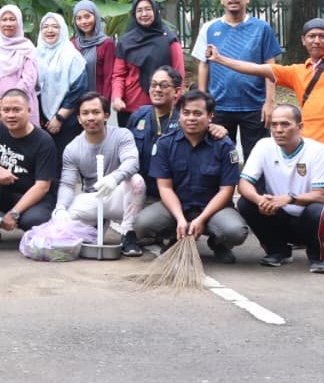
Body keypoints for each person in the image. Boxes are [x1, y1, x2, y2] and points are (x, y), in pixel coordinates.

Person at [206, 9, 324, 262]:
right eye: (311, 36)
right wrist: (220, 60)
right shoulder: (298, 71)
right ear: (303, 41)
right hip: (307, 147)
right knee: (293, 195)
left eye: (322, 36)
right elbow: (257, 68)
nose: (316, 40)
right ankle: (294, 239)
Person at [133, 89, 248, 263]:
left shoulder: (224, 146)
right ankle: (175, 236)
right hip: (177, 208)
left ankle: (218, 243)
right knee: (142, 224)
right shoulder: (165, 143)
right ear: (179, 114)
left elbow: (227, 190)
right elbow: (165, 187)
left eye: (197, 113)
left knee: (235, 231)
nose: (191, 118)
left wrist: (201, 219)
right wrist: (180, 218)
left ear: (210, 116)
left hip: (212, 210)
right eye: (186, 113)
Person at [237, 104, 324, 273]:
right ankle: (278, 251)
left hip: (315, 222)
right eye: (274, 124)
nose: (278, 130)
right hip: (279, 215)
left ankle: (317, 256)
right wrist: (260, 200)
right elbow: (243, 184)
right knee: (246, 203)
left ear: (300, 127)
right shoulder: (264, 146)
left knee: (316, 210)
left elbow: (320, 196)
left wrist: (289, 198)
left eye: (285, 124)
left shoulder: (318, 150)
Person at [192, 0, 282, 157]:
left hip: (255, 106)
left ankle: (253, 187)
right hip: (219, 106)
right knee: (218, 159)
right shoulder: (209, 28)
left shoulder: (262, 28)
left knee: (257, 160)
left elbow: (271, 68)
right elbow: (203, 64)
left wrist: (270, 102)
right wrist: (203, 101)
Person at [54, 92, 146, 256]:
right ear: (79, 119)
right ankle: (97, 224)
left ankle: (128, 233)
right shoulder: (72, 148)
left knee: (137, 181)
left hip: (120, 196)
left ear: (106, 115)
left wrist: (114, 178)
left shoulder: (122, 135)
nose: (91, 118)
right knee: (62, 225)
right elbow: (68, 184)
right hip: (94, 198)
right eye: (85, 113)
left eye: (96, 112)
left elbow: (132, 162)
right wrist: (60, 208)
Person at [0, 88, 59, 234]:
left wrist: (13, 213)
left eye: (17, 110)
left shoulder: (44, 141)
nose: (11, 115)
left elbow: (42, 186)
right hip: (5, 193)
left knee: (32, 221)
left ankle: (16, 219)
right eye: (6, 110)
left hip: (34, 196)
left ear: (29, 110)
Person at [112, 0, 184, 124]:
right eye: (139, 10)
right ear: (134, 14)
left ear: (155, 11)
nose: (144, 14)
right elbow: (118, 75)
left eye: (148, 9)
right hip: (129, 109)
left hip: (162, 108)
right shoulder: (125, 41)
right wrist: (117, 97)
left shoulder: (169, 40)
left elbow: (179, 76)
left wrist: (176, 103)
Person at [126, 66, 183, 190]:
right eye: (153, 85)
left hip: (172, 190)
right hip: (139, 188)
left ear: (177, 92)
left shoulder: (184, 121)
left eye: (164, 85)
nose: (157, 89)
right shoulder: (138, 115)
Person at [0, 4, 39, 124]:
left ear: (19, 22)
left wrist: (8, 103)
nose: (8, 24)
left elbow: (29, 80)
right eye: (4, 19)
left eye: (12, 19)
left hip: (22, 105)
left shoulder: (28, 48)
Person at [35, 12, 87, 147]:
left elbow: (78, 90)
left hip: (67, 122)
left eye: (55, 26)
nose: (50, 30)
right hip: (41, 121)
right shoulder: (36, 54)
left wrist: (59, 118)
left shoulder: (72, 56)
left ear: (63, 30)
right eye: (45, 27)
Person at [71, 0, 114, 101]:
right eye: (79, 18)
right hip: (75, 102)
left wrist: (104, 104)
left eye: (87, 16)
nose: (83, 22)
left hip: (98, 101)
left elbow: (108, 78)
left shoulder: (106, 43)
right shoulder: (72, 44)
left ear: (96, 16)